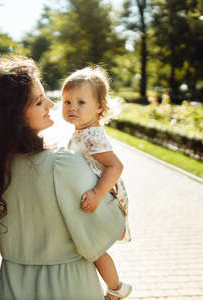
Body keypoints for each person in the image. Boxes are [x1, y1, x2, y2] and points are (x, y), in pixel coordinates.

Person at [0, 55, 125, 300]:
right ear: (15, 115)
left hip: (13, 287)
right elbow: (107, 228)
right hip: (70, 287)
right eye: (39, 102)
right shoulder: (63, 166)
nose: (51, 104)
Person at [61, 66, 132, 299]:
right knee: (89, 248)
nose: (72, 107)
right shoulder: (83, 131)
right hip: (98, 199)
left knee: (94, 249)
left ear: (99, 107)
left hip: (104, 199)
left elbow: (115, 166)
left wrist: (97, 194)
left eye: (81, 102)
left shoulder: (91, 135)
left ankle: (116, 288)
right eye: (67, 101)